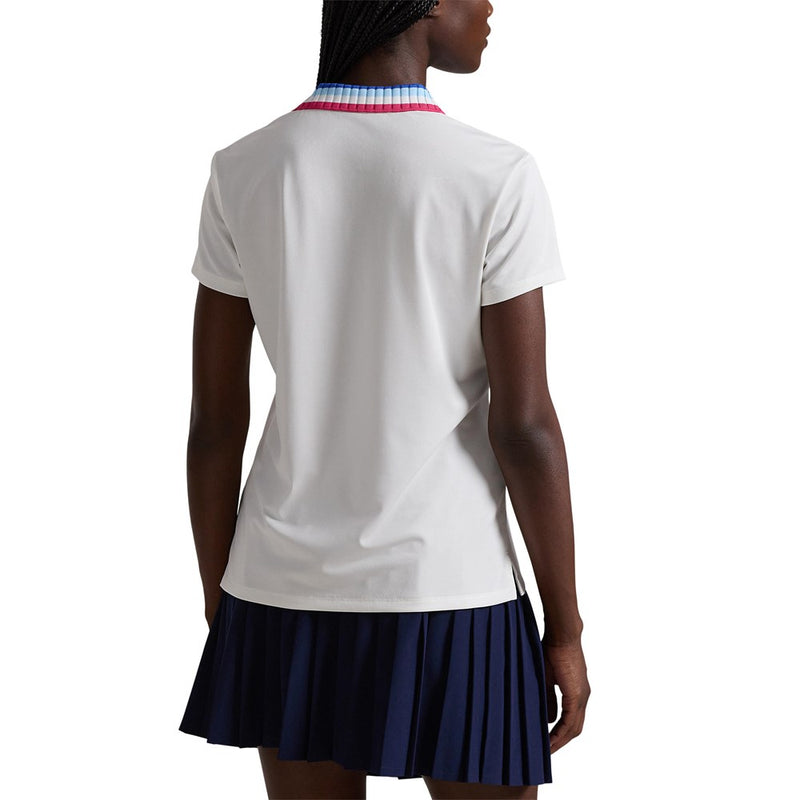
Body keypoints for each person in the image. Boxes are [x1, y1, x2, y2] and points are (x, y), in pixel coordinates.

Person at [178, 1, 590, 798]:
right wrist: (565, 628)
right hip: (451, 587)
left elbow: (215, 423)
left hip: (280, 587)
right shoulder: (493, 175)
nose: (490, 7)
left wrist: (220, 595)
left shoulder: (245, 168)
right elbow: (524, 426)